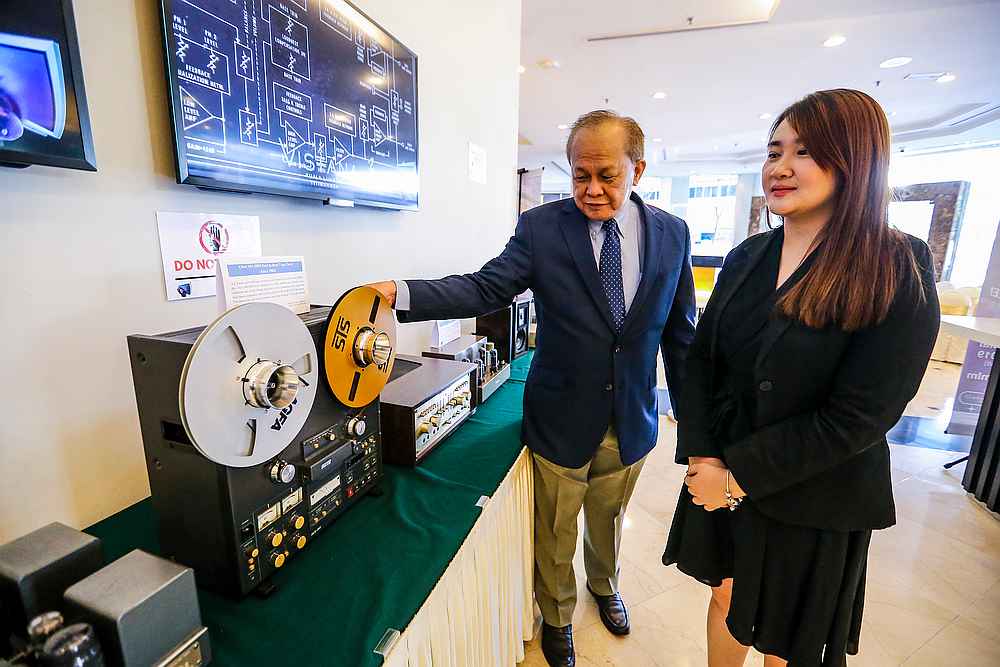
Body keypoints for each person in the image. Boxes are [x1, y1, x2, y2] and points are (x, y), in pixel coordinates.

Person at [371, 110, 696, 667]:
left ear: (637, 169)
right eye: (579, 175)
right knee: (555, 528)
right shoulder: (542, 228)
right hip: (560, 416)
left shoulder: (673, 232)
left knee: (608, 517)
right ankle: (559, 615)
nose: (592, 190)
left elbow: (681, 334)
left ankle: (606, 583)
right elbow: (483, 287)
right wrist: (399, 292)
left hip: (634, 416)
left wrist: (696, 430)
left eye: (607, 175)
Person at [662, 88, 941, 667]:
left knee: (791, 634)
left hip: (816, 489)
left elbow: (861, 415)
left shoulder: (895, 263)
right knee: (726, 596)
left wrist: (737, 477)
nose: (780, 168)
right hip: (723, 472)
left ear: (855, 160)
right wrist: (705, 457)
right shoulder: (748, 255)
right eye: (774, 150)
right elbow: (701, 363)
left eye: (805, 152)